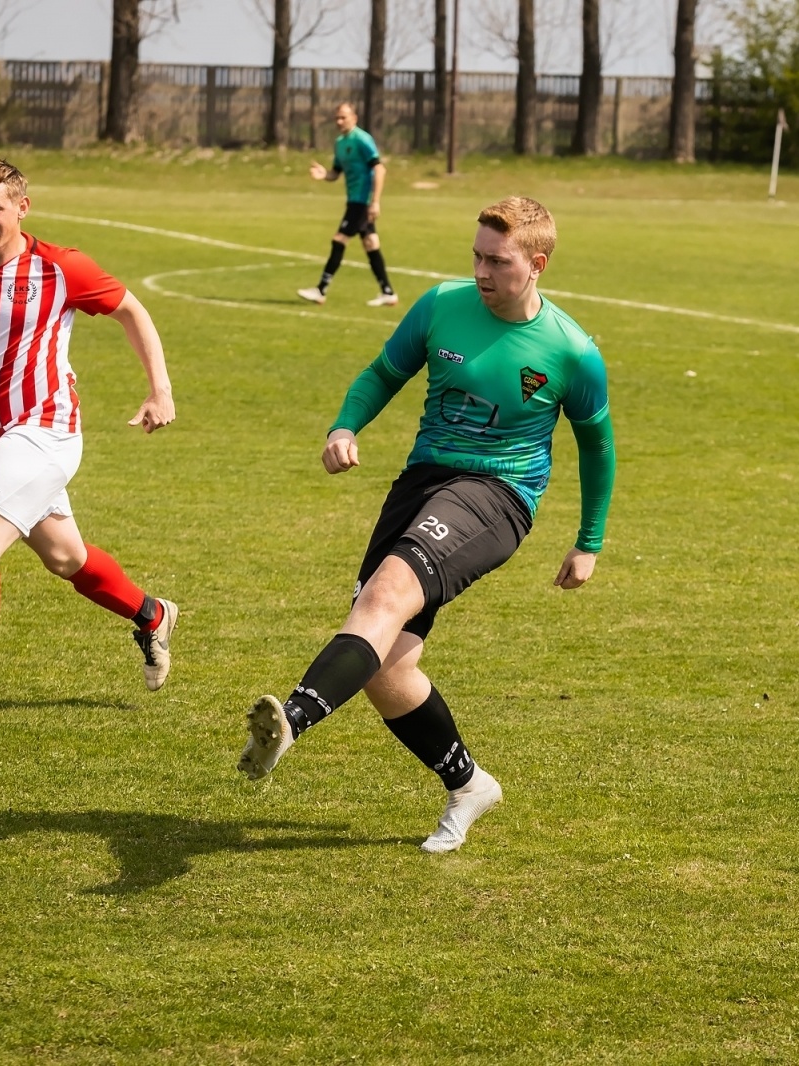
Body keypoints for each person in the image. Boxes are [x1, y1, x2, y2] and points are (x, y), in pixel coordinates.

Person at [241, 196, 616, 853]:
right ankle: (469, 785)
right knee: (386, 665)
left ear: (537, 264)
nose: (481, 270)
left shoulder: (572, 352)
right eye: (476, 255)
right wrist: (344, 424)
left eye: (497, 261)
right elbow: (385, 373)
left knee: (383, 597)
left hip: (497, 494)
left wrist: (589, 542)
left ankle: (292, 719)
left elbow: (598, 448)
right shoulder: (440, 304)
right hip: (420, 484)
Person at [0, 159, 178, 736]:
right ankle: (152, 613)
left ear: (23, 207)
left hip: (46, 431)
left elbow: (131, 311)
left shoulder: (60, 266)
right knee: (65, 558)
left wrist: (159, 390)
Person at [296, 102, 398, 308]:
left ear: (355, 117)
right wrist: (324, 174)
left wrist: (375, 202)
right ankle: (388, 292)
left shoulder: (362, 139)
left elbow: (380, 170)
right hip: (353, 201)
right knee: (371, 244)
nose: (339, 121)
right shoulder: (340, 142)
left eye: (344, 117)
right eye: (337, 118)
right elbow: (335, 173)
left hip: (362, 202)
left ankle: (321, 289)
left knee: (339, 240)